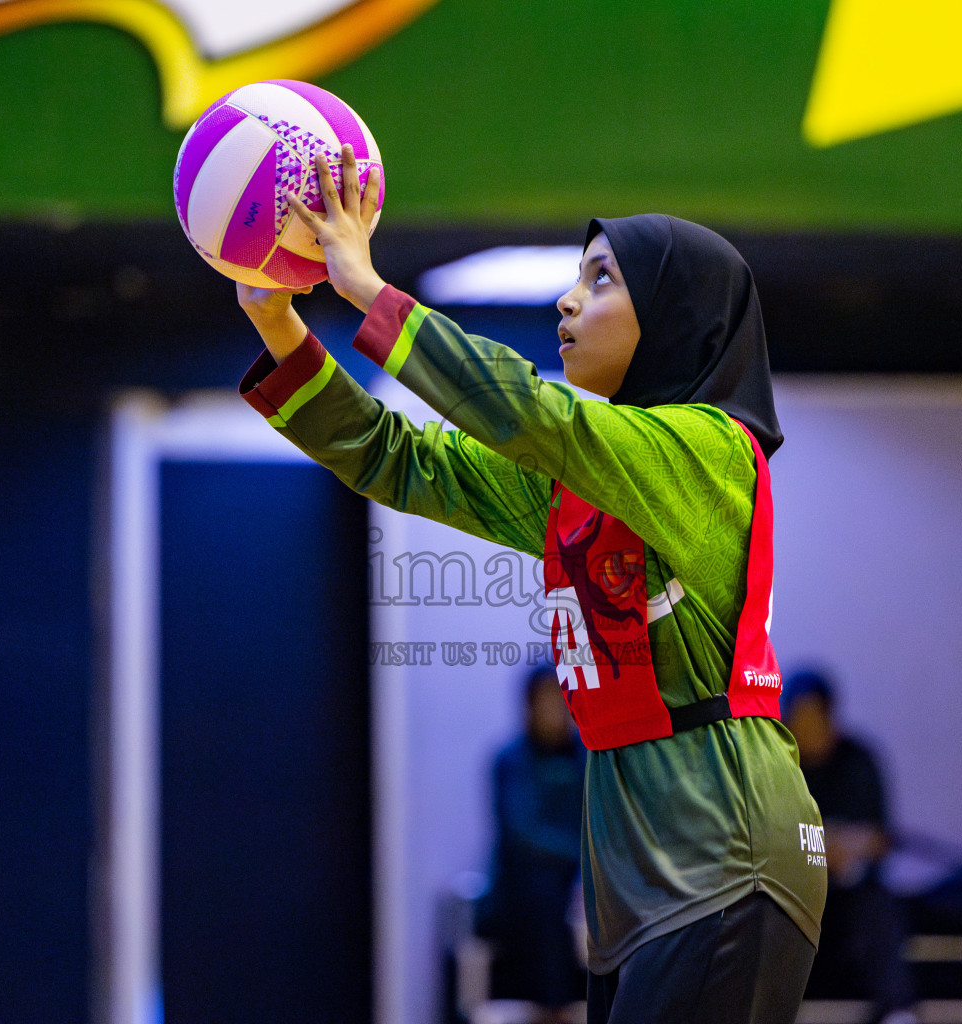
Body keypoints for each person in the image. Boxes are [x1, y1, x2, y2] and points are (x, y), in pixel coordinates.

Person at [236, 145, 826, 1024]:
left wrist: (365, 287)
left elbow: (528, 413)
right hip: (647, 866)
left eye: (599, 280)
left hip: (724, 850)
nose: (567, 300)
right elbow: (398, 458)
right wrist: (278, 320)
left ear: (676, 316)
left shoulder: (710, 451)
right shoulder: (583, 484)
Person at [781, 670, 916, 1024]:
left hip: (849, 904)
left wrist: (831, 845)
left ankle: (898, 1012)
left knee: (875, 905)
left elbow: (878, 839)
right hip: (795, 903)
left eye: (815, 717)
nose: (808, 728)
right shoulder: (777, 767)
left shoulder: (858, 760)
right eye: (800, 717)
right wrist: (823, 845)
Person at [475, 667, 588, 1023]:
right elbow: (523, 833)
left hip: (579, 884)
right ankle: (552, 1008)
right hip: (523, 889)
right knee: (544, 888)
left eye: (561, 698)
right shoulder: (510, 760)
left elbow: (603, 822)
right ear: (528, 705)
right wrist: (580, 856)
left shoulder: (589, 757)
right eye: (546, 699)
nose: (555, 709)